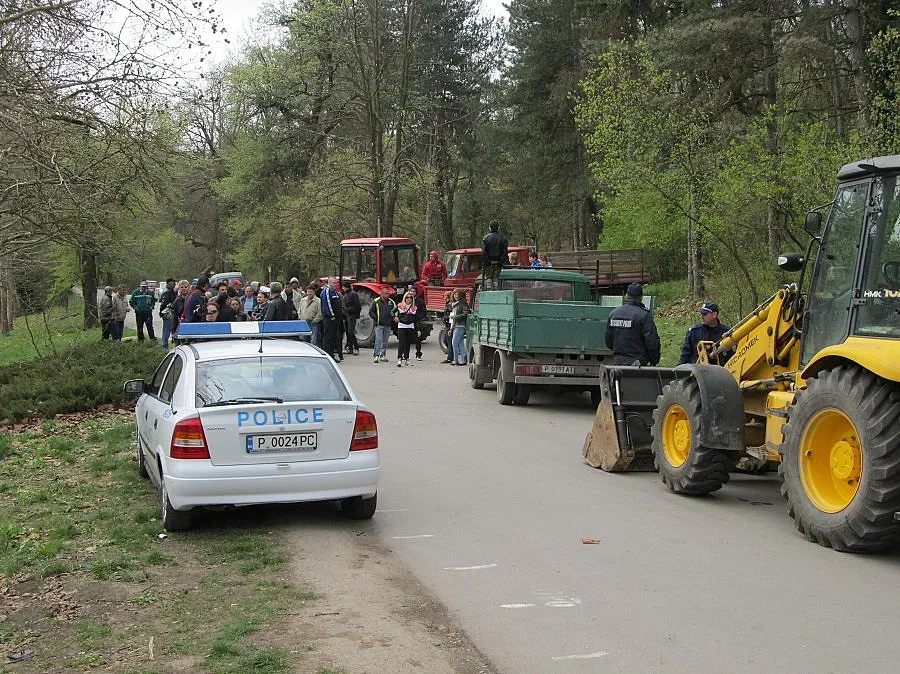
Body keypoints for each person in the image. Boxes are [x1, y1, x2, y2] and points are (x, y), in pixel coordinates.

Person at [605, 283, 660, 366]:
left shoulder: (613, 314)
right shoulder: (644, 315)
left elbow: (608, 341)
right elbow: (652, 341)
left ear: (626, 296)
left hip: (618, 361)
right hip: (638, 363)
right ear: (641, 297)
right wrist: (654, 360)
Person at [369, 285, 396, 363]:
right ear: (382, 294)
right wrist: (377, 319)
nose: (388, 295)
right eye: (386, 293)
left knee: (385, 341)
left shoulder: (391, 302)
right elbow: (371, 311)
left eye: (388, 293)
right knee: (378, 340)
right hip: (379, 325)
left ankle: (382, 355)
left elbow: (395, 311)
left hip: (388, 325)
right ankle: (376, 355)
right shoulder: (376, 301)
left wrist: (394, 317)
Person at [320, 277, 343, 361]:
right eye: (334, 282)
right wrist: (332, 315)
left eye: (336, 283)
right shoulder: (327, 291)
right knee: (328, 338)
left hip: (336, 319)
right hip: (330, 319)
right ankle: (328, 356)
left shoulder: (335, 292)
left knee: (333, 338)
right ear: (329, 283)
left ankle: (331, 355)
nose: (336, 284)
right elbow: (327, 304)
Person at [394, 290, 420, 366]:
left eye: (410, 298)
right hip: (401, 326)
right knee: (401, 343)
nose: (409, 299)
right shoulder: (400, 305)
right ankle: (399, 358)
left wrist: (418, 329)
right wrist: (395, 317)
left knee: (408, 343)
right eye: (407, 297)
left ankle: (406, 358)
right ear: (404, 298)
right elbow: (392, 312)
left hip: (410, 326)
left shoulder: (414, 308)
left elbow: (416, 320)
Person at [481, 220, 508, 290]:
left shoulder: (485, 239)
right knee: (496, 279)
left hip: (488, 264)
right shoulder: (503, 239)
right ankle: (496, 291)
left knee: (489, 280)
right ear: (498, 227)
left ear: (489, 228)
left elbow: (484, 253)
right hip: (498, 263)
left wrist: (486, 262)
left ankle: (490, 292)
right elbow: (505, 253)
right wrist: (500, 262)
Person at [449, 288, 470, 366]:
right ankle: (463, 359)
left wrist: (455, 317)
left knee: (454, 343)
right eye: (454, 294)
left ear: (461, 295)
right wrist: (451, 329)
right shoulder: (454, 304)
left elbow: (466, 314)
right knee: (460, 343)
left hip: (461, 325)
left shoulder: (463, 304)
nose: (456, 296)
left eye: (457, 294)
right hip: (456, 325)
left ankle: (456, 360)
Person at [341, 281, 361, 355]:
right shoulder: (345, 294)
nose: (342, 288)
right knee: (347, 332)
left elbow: (357, 306)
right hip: (346, 315)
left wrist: (348, 309)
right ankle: (350, 347)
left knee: (351, 332)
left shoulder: (353, 294)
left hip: (351, 315)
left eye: (343, 287)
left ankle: (356, 347)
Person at [158, 278, 177, 349]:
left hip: (168, 313)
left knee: (167, 329)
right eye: (173, 282)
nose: (175, 284)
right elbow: (164, 303)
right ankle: (164, 346)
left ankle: (164, 345)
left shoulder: (170, 291)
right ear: (169, 283)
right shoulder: (167, 292)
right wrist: (161, 312)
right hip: (168, 313)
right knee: (167, 330)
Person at [412, 281, 427, 360]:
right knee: (405, 338)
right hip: (408, 322)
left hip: (417, 322)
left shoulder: (420, 301)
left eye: (414, 291)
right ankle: (404, 354)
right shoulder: (407, 301)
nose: (412, 293)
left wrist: (418, 317)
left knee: (418, 338)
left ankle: (418, 354)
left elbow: (424, 312)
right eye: (411, 291)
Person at [441, 290, 454, 363]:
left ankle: (450, 357)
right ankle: (451, 354)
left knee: (448, 341)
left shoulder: (450, 305)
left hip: (450, 325)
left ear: (448, 297)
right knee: (446, 340)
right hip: (447, 325)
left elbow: (451, 314)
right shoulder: (447, 304)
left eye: (444, 295)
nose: (443, 297)